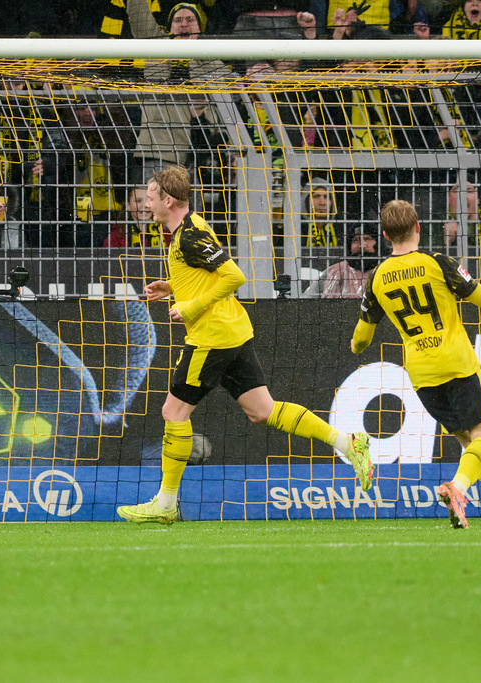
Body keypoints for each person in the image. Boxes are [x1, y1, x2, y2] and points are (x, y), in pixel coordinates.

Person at [117, 165, 372, 524]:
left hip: (211, 337)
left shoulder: (189, 235)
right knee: (262, 410)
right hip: (232, 332)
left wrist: (191, 305)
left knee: (173, 413)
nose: (146, 203)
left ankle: (164, 504)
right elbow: (204, 273)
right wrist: (172, 287)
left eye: (151, 196)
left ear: (168, 200)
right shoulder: (188, 229)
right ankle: (349, 444)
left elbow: (234, 275)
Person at [350, 199, 481, 529]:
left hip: (422, 375)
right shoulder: (438, 262)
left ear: (384, 235)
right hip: (456, 364)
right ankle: (457, 488)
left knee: (473, 448)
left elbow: (362, 340)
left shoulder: (377, 278)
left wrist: (354, 344)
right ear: (419, 227)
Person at [303, 223, 383, 298]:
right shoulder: (333, 273)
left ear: (377, 243)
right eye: (356, 240)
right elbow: (307, 301)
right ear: (349, 246)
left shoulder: (387, 271)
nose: (362, 245)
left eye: (367, 239)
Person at [102, 186, 171, 248]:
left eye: (149, 200)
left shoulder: (166, 234)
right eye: (138, 201)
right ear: (128, 205)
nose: (145, 205)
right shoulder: (117, 236)